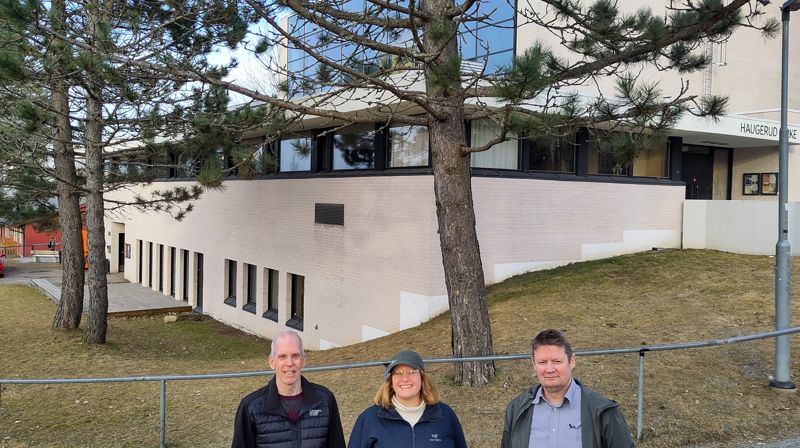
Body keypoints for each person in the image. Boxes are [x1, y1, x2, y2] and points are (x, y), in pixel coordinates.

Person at [501, 329, 636, 448]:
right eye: (542, 362)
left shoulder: (603, 412)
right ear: (534, 364)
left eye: (557, 361)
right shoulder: (516, 410)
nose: (549, 369)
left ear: (572, 361)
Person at [232, 329, 346, 448]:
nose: (289, 363)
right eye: (282, 357)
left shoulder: (325, 400)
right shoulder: (251, 407)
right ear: (272, 362)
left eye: (295, 356)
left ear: (303, 360)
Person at [348, 350, 467, 448]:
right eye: (398, 373)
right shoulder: (369, 419)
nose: (405, 379)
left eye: (412, 372)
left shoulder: (445, 415)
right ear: (391, 381)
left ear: (422, 378)